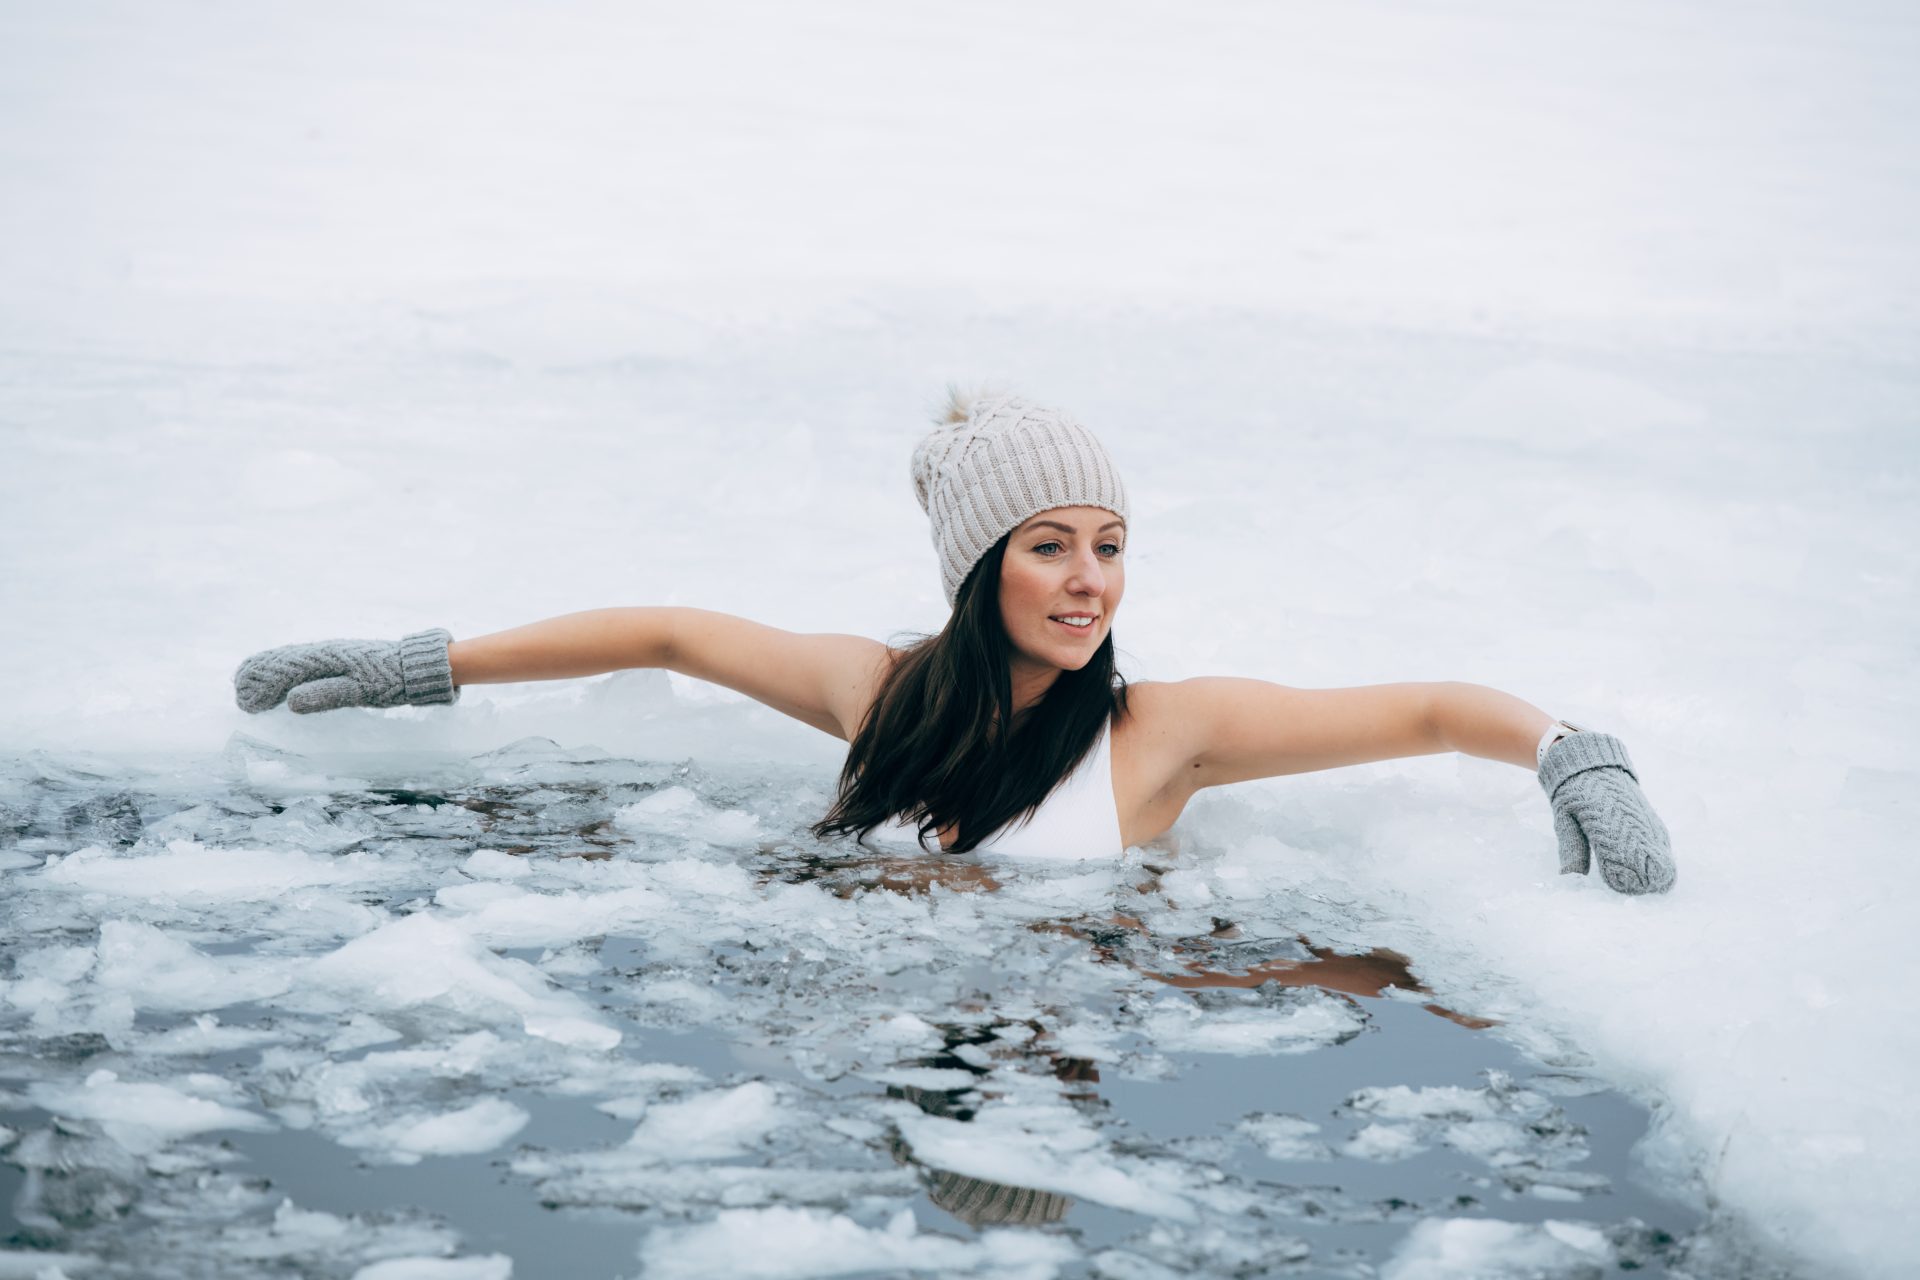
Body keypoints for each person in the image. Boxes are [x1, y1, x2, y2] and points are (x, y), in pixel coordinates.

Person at [233, 391, 1676, 894]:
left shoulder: (1160, 735)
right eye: (1048, 546)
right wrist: (426, 662)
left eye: (1108, 546)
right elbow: (672, 628)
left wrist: (1569, 756)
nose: (1087, 581)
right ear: (979, 566)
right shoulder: (879, 697)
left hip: (1077, 1002)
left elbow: (1425, 709)